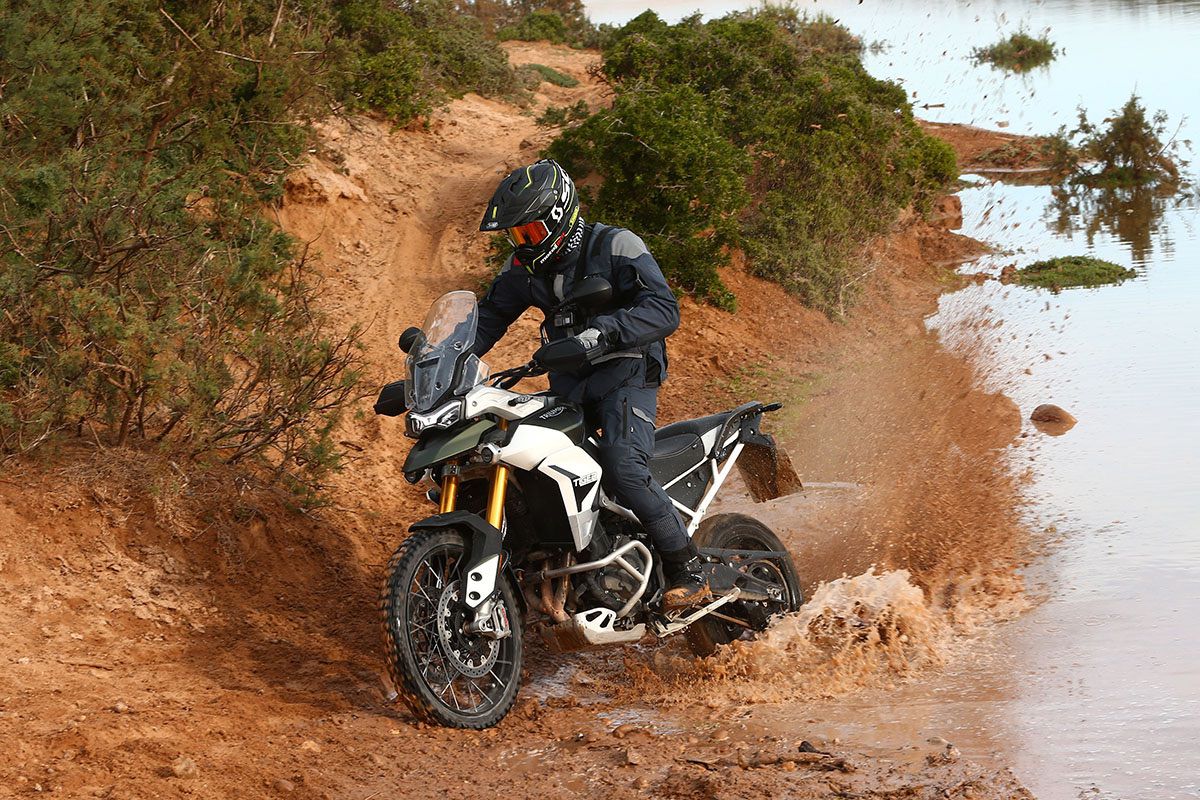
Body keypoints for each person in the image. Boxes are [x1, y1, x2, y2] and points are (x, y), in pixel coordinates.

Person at [472, 159, 708, 610]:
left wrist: (603, 333)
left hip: (627, 375)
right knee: (531, 460)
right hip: (570, 384)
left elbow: (664, 309)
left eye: (530, 232)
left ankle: (687, 567)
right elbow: (487, 320)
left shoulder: (615, 244)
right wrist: (440, 355)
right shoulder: (524, 269)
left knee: (623, 466)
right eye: (516, 236)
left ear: (559, 216)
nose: (523, 244)